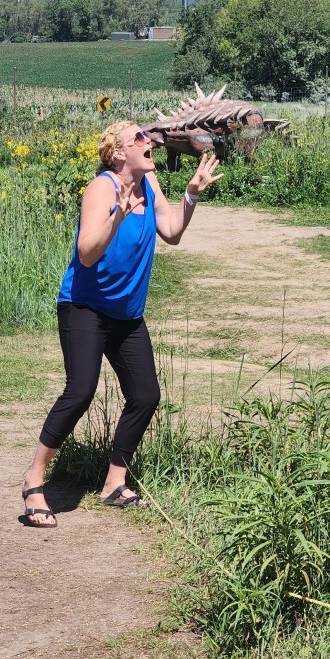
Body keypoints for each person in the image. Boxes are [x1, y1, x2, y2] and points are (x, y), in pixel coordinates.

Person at [20, 120, 222, 528]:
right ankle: (34, 478)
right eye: (140, 137)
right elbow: (87, 253)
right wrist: (117, 217)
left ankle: (114, 482)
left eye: (148, 136)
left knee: (145, 395)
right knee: (80, 391)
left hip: (126, 315)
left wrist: (191, 195)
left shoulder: (150, 184)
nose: (150, 141)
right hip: (85, 308)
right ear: (118, 153)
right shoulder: (102, 188)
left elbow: (171, 232)